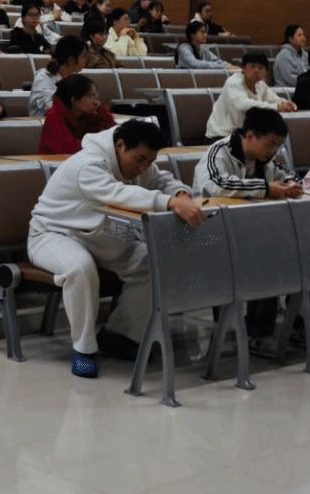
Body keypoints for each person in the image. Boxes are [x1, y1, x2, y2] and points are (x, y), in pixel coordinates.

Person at [28, 120, 198, 377]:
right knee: (80, 268)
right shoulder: (88, 165)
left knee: (154, 262)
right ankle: (84, 351)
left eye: (149, 161)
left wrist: (181, 193)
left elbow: (162, 179)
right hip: (53, 234)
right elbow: (118, 194)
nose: (143, 167)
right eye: (140, 160)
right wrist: (169, 203)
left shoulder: (139, 162)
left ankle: (119, 335)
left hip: (99, 237)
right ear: (120, 146)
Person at [194, 108, 302, 199]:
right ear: (250, 136)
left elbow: (290, 175)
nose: (274, 152)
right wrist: (266, 188)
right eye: (271, 145)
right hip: (211, 212)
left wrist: (291, 184)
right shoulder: (218, 152)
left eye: (277, 147)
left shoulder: (264, 158)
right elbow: (217, 185)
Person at [206, 52, 294, 139]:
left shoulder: (260, 85)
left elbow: (275, 99)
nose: (256, 70)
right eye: (252, 66)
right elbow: (244, 104)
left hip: (243, 136)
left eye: (261, 68)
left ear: (265, 72)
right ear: (243, 68)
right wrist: (276, 107)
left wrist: (287, 104)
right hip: (221, 135)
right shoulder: (233, 82)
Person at [40, 72, 113, 154]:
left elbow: (113, 134)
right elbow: (71, 149)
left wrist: (101, 110)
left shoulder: (89, 115)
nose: (96, 102)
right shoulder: (54, 118)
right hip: (57, 161)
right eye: (91, 97)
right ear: (74, 100)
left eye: (95, 97)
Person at [29, 35, 86, 115]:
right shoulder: (43, 78)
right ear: (71, 60)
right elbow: (51, 107)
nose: (86, 60)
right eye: (83, 56)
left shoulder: (75, 78)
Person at [270, 25, 309, 90]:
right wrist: (309, 83)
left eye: (303, 35)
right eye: (299, 35)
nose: (303, 38)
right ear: (290, 39)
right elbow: (291, 79)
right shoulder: (284, 55)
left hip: (301, 88)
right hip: (286, 90)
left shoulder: (305, 54)